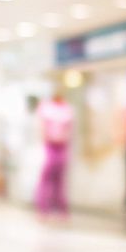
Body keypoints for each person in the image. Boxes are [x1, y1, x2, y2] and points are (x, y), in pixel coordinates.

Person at [34, 93, 73, 221]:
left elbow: (69, 130)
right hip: (49, 146)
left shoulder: (67, 109)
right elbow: (42, 128)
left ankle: (61, 208)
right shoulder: (46, 109)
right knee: (46, 177)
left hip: (62, 146)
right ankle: (43, 207)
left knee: (59, 179)